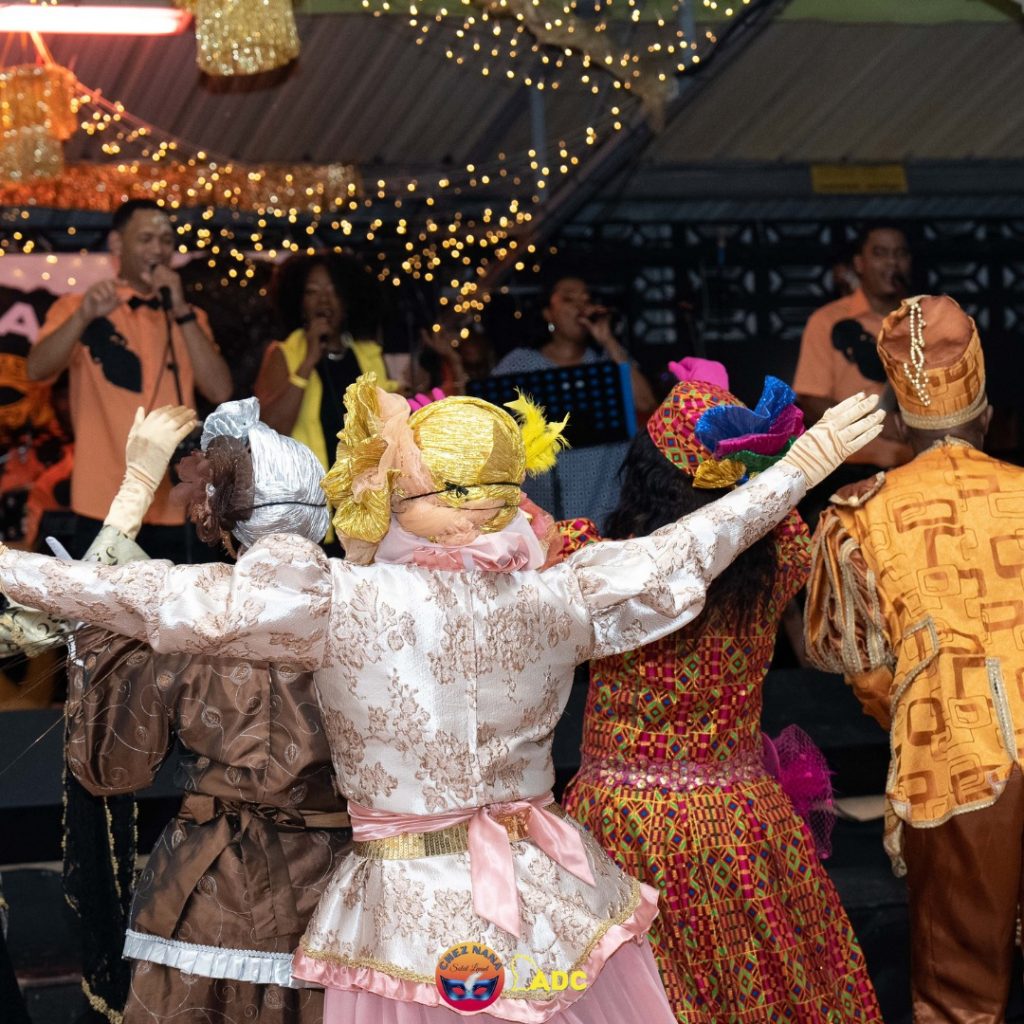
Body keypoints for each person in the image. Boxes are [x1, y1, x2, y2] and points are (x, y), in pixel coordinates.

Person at [0, 377, 883, 1023]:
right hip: (545, 891)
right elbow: (696, 544)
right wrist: (798, 468)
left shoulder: (337, 599)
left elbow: (151, 601)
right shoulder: (563, 593)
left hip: (406, 903)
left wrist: (15, 569)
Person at [2, 399, 351, 1023]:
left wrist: (101, 641)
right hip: (348, 888)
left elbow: (112, 768)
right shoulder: (388, 603)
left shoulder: (188, 613)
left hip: (214, 888)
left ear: (219, 512)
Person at [558, 363, 881, 1023]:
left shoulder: (588, 559)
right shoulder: (784, 550)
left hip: (617, 823)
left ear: (641, 467)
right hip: (738, 818)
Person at [803, 295, 1021, 1024]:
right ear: (987, 413)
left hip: (950, 758)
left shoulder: (859, 513)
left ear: (896, 421)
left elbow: (856, 661)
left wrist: (905, 703)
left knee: (958, 995)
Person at [26, 199, 232, 560]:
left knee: (178, 613)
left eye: (166, 240)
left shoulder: (189, 315)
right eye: (147, 238)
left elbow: (219, 390)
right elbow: (37, 371)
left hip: (178, 504)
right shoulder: (79, 307)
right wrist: (83, 318)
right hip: (103, 501)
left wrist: (181, 310)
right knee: (100, 614)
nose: (158, 249)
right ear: (118, 245)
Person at [492, 274, 658, 525]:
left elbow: (646, 404)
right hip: (545, 500)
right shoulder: (520, 364)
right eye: (569, 299)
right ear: (548, 313)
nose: (581, 306)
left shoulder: (606, 361)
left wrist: (608, 340)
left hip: (605, 500)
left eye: (586, 299)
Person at [255, 251, 399, 473]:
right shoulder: (284, 354)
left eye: (334, 290)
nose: (324, 299)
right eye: (312, 291)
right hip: (309, 495)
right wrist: (307, 362)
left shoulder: (369, 355)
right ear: (300, 302)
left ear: (348, 300)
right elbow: (269, 432)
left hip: (364, 494)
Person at [792, 224, 914, 482]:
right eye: (880, 253)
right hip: (849, 469)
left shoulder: (924, 321)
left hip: (915, 467)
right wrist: (879, 421)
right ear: (859, 264)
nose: (892, 262)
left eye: (900, 254)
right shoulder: (827, 320)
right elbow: (812, 400)